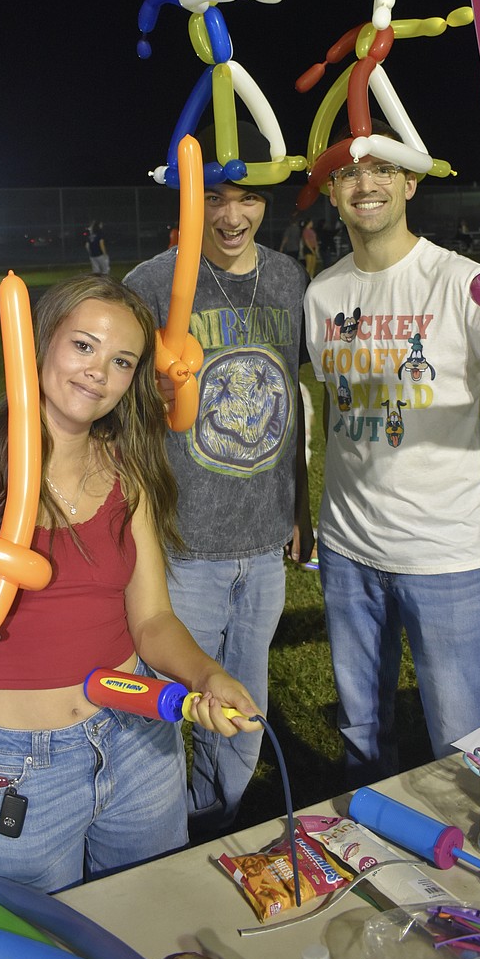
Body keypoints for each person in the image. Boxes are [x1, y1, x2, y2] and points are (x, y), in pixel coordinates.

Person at [0, 274, 259, 892]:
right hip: (26, 765)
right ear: (41, 344)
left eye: (122, 361)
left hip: (139, 735)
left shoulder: (127, 473)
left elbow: (152, 619)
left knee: (149, 909)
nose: (98, 373)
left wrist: (206, 673)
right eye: (83, 346)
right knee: (41, 934)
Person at [303, 135, 480, 787]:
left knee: (463, 737)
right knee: (362, 733)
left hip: (442, 555)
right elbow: (339, 408)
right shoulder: (322, 294)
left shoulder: (462, 283)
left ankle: (469, 846)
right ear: (332, 192)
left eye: (383, 170)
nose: (367, 185)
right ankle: (373, 831)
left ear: (410, 183)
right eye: (350, 174)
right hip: (347, 551)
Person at [125, 179, 314, 841]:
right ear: (189, 200)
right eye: (214, 198)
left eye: (249, 198)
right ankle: (152, 838)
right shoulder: (152, 284)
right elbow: (117, 408)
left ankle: (212, 823)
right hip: (183, 545)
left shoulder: (288, 279)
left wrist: (300, 506)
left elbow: (292, 397)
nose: (232, 216)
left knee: (241, 715)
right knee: (163, 715)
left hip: (264, 545)